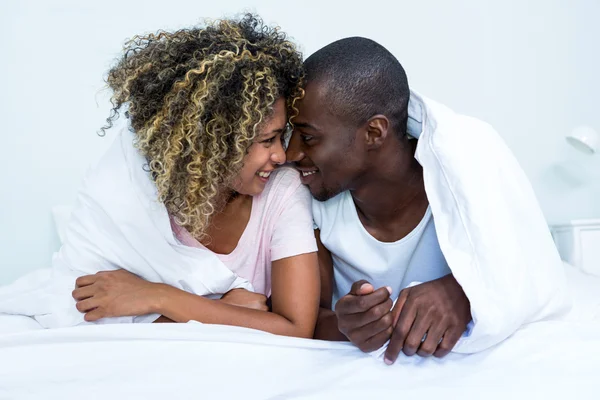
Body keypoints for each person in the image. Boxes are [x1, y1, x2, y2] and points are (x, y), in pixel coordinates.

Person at [285, 37, 569, 362]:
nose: (290, 153)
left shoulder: (463, 170)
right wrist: (346, 325)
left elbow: (531, 269)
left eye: (307, 137)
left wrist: (464, 291)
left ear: (374, 133)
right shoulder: (307, 196)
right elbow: (309, 319)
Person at [61, 14, 320, 338]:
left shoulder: (283, 189)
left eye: (281, 136)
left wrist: (158, 296)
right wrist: (229, 312)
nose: (281, 156)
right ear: (213, 142)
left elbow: (296, 330)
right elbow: (79, 307)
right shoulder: (130, 190)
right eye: (266, 141)